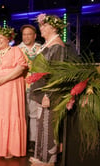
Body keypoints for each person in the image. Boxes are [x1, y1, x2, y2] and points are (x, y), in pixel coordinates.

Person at [29, 14, 69, 166]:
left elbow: (57, 74)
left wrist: (48, 95)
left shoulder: (57, 45)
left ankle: (48, 160)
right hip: (41, 92)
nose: (41, 29)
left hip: (48, 93)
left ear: (53, 28)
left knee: (48, 126)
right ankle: (40, 155)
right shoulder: (48, 44)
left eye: (44, 26)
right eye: (41, 26)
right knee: (41, 124)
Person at [0, 26, 28, 158]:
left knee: (10, 114)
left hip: (11, 87)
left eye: (1, 38)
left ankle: (9, 148)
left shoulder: (16, 50)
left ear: (9, 38)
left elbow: (21, 68)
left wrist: (4, 78)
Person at [18, 24, 42, 152]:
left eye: (29, 34)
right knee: (20, 115)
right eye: (24, 34)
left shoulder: (40, 49)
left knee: (33, 114)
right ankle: (20, 140)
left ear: (35, 36)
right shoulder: (16, 49)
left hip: (35, 87)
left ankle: (32, 141)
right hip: (19, 86)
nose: (26, 37)